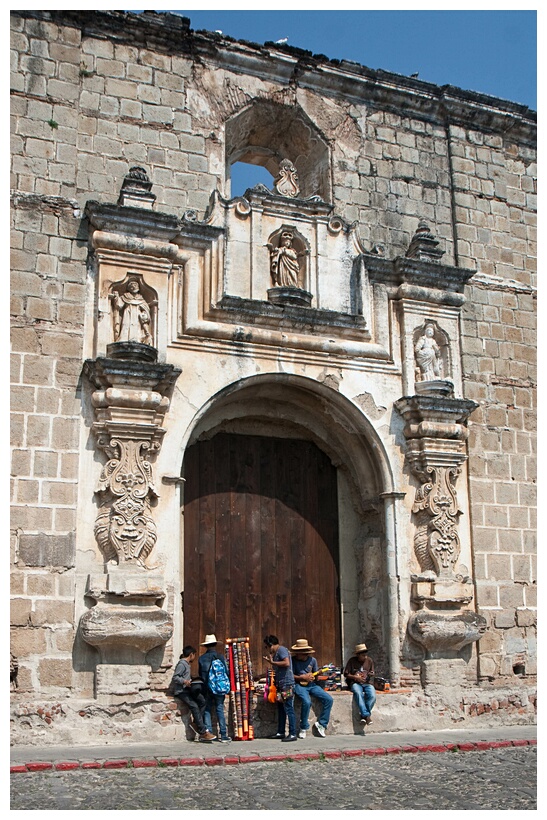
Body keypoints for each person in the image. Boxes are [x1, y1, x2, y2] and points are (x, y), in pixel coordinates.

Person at [171, 645, 215, 743]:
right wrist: (185, 681)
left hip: (188, 689)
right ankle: (203, 732)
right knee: (194, 706)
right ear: (191, 655)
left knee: (202, 701)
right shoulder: (182, 664)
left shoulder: (187, 664)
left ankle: (196, 723)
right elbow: (175, 677)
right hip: (181, 691)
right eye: (194, 655)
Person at [291, 638, 333, 739]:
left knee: (329, 699)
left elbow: (316, 676)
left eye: (299, 653)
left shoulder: (313, 660)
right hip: (299, 685)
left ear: (305, 653)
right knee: (307, 701)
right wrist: (302, 677)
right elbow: (290, 675)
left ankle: (322, 724)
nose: (297, 654)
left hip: (311, 685)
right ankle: (303, 727)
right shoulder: (293, 660)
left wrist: (317, 675)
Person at [198, 634, 232, 743]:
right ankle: (223, 735)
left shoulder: (201, 658)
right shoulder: (220, 657)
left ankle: (209, 733)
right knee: (219, 709)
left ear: (206, 646)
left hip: (207, 688)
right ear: (215, 645)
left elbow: (201, 675)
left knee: (207, 710)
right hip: (219, 687)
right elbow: (226, 672)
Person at [263, 634, 297, 742]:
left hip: (287, 684)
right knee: (281, 708)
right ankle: (280, 731)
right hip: (280, 685)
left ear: (271, 645)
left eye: (267, 647)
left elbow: (286, 663)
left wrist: (272, 662)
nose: (267, 650)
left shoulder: (282, 650)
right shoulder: (276, 654)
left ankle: (292, 733)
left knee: (288, 707)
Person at [110, 278, 153, 346]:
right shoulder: (125, 296)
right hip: (127, 313)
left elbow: (146, 309)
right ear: (129, 288)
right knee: (126, 325)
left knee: (137, 327)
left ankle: (138, 339)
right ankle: (124, 338)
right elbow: (119, 305)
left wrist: (144, 314)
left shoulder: (141, 298)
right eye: (132, 286)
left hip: (137, 316)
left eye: (135, 286)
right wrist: (116, 297)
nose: (134, 287)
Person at [343, 642, 376, 726]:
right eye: (362, 655)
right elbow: (346, 674)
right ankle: (366, 716)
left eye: (365, 655)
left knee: (372, 696)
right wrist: (355, 677)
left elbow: (372, 672)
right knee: (358, 693)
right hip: (355, 683)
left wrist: (371, 674)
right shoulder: (352, 661)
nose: (365, 657)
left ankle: (364, 715)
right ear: (358, 655)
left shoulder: (369, 660)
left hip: (367, 683)